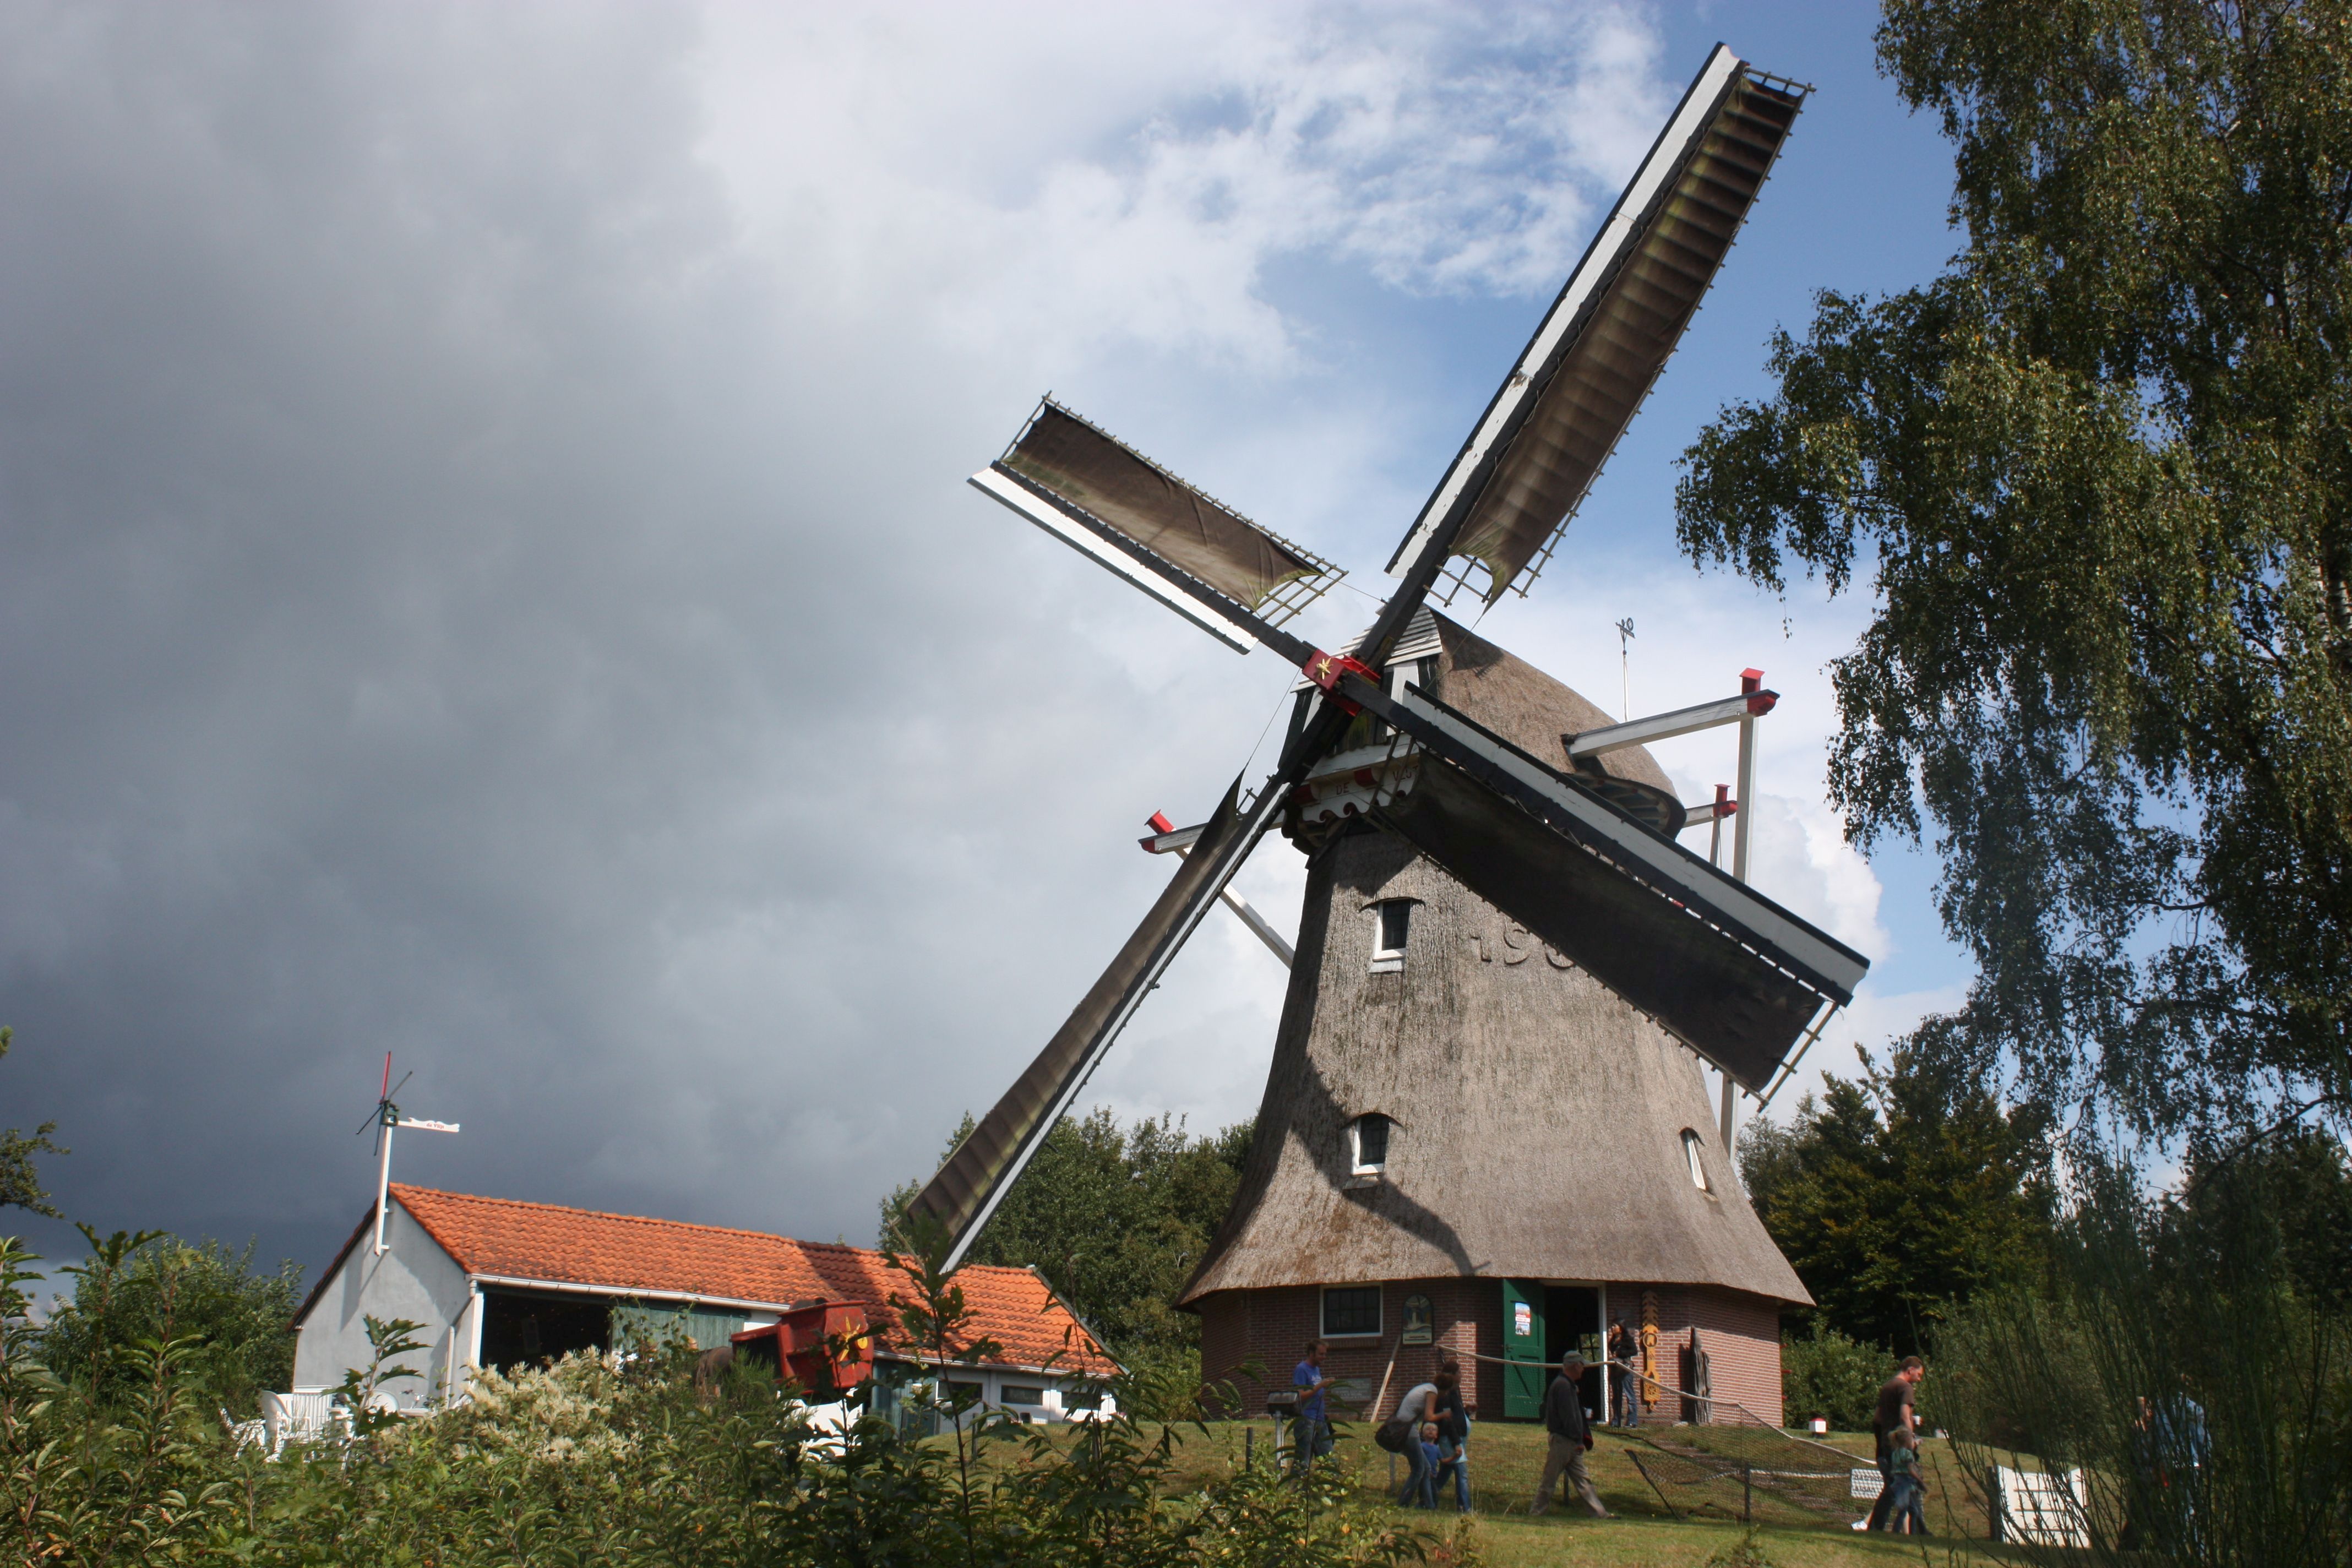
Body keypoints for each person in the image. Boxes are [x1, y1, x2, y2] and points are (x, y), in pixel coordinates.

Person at [1528, 1354, 1612, 1518]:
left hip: (1569, 1441)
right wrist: (1578, 1439)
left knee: (1583, 1481)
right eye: (1582, 1365)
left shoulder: (1567, 1385)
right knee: (1549, 1480)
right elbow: (1570, 1416)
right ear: (1574, 1366)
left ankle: (1599, 1514)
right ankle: (1536, 1513)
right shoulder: (1564, 1387)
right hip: (1564, 1441)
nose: (1583, 1369)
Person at [1863, 1356, 1925, 1531]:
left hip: (1885, 1443)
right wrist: (1910, 1441)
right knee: (1897, 1487)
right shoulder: (1905, 1388)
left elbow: (1877, 1418)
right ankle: (1877, 1528)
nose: (1919, 1379)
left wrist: (1881, 1441)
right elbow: (1905, 1416)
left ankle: (1883, 1528)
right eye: (1919, 1375)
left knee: (1893, 1487)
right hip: (1898, 1446)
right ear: (1911, 1370)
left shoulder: (1887, 1387)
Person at [1391, 1373, 1442, 1507]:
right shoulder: (1432, 1391)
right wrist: (1445, 1414)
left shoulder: (1426, 1388)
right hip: (1407, 1430)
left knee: (1425, 1467)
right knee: (1419, 1469)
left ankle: (1428, 1504)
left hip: (1405, 1428)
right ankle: (1403, 1503)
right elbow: (1429, 1416)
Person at [1291, 1340, 1335, 1483]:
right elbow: (1300, 1396)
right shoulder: (1302, 1369)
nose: (1324, 1357)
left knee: (1327, 1454)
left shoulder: (1316, 1370)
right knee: (1303, 1457)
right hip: (1307, 1419)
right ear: (1311, 1353)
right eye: (1321, 1354)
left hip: (1320, 1419)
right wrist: (1320, 1386)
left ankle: (1332, 1488)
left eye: (1325, 1354)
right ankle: (1296, 1488)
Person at [1434, 1361, 1472, 1512]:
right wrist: (1456, 1443)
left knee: (1444, 1473)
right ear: (1452, 1375)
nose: (1462, 1376)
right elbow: (1448, 1421)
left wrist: (1467, 1412)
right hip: (1451, 1440)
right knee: (1462, 1474)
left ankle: (1427, 1499)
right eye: (1460, 1373)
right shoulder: (1445, 1394)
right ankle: (1464, 1506)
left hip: (1458, 1439)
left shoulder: (1455, 1392)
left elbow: (1456, 1416)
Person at [1884, 1427, 1928, 1535]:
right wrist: (1920, 1481)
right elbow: (1910, 1470)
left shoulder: (1895, 1453)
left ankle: (1907, 1533)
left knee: (1912, 1511)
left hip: (1897, 1482)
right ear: (1906, 1440)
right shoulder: (1907, 1454)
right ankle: (1899, 1532)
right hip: (1905, 1484)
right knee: (1905, 1511)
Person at [1605, 1317, 1637, 1426]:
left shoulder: (1627, 1339)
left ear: (1621, 1327)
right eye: (1612, 1326)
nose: (1612, 1328)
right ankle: (1616, 1420)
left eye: (1615, 1326)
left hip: (1626, 1370)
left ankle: (1632, 1421)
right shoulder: (1613, 1341)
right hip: (1615, 1370)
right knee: (1616, 1396)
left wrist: (1620, 1353)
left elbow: (1634, 1351)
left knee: (1629, 1395)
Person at [1414, 1422, 1444, 1509]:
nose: (1431, 1431)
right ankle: (1423, 1505)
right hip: (1424, 1473)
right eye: (1428, 1429)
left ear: (1436, 1435)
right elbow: (1421, 1460)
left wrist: (1455, 1457)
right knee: (1423, 1490)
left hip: (1434, 1474)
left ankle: (1431, 1505)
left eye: (1433, 1430)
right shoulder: (1422, 1446)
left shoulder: (1436, 1448)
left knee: (1433, 1491)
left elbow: (1442, 1460)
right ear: (1423, 1434)